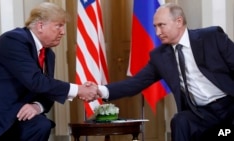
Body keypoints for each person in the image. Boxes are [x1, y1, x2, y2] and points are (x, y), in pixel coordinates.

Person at [95, 2, 234, 141]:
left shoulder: (211, 37)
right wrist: (100, 90)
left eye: (162, 25)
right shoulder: (160, 56)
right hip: (202, 114)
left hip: (229, 105)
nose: (157, 32)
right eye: (155, 27)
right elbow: (135, 83)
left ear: (178, 21)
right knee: (180, 120)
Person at [0, 2, 98, 141]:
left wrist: (37, 106)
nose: (63, 32)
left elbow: (47, 89)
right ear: (40, 26)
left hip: (18, 112)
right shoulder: (14, 40)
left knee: (41, 125)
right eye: (59, 26)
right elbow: (36, 81)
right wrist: (78, 89)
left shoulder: (48, 54)